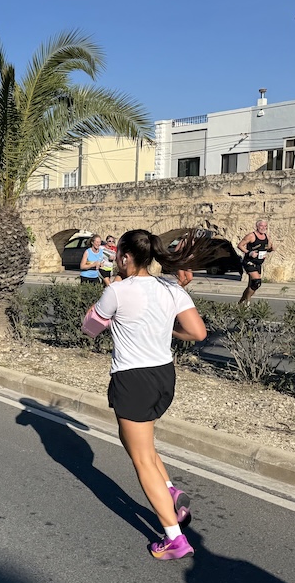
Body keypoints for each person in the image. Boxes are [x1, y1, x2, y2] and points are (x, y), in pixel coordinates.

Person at [87, 229, 218, 561]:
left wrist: (105, 297)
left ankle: (174, 539)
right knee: (141, 444)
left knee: (142, 459)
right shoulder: (171, 287)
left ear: (125, 257)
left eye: (117, 254)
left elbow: (90, 328)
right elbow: (198, 332)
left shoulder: (117, 291)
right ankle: (170, 491)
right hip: (164, 376)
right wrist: (166, 328)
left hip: (133, 380)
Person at [238, 220, 275, 305]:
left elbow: (267, 248)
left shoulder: (267, 236)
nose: (263, 228)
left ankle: (241, 303)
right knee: (257, 282)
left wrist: (271, 249)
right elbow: (240, 245)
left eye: (265, 226)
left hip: (258, 263)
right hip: (249, 262)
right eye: (261, 226)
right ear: (257, 226)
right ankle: (247, 302)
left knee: (251, 286)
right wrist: (249, 252)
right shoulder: (251, 236)